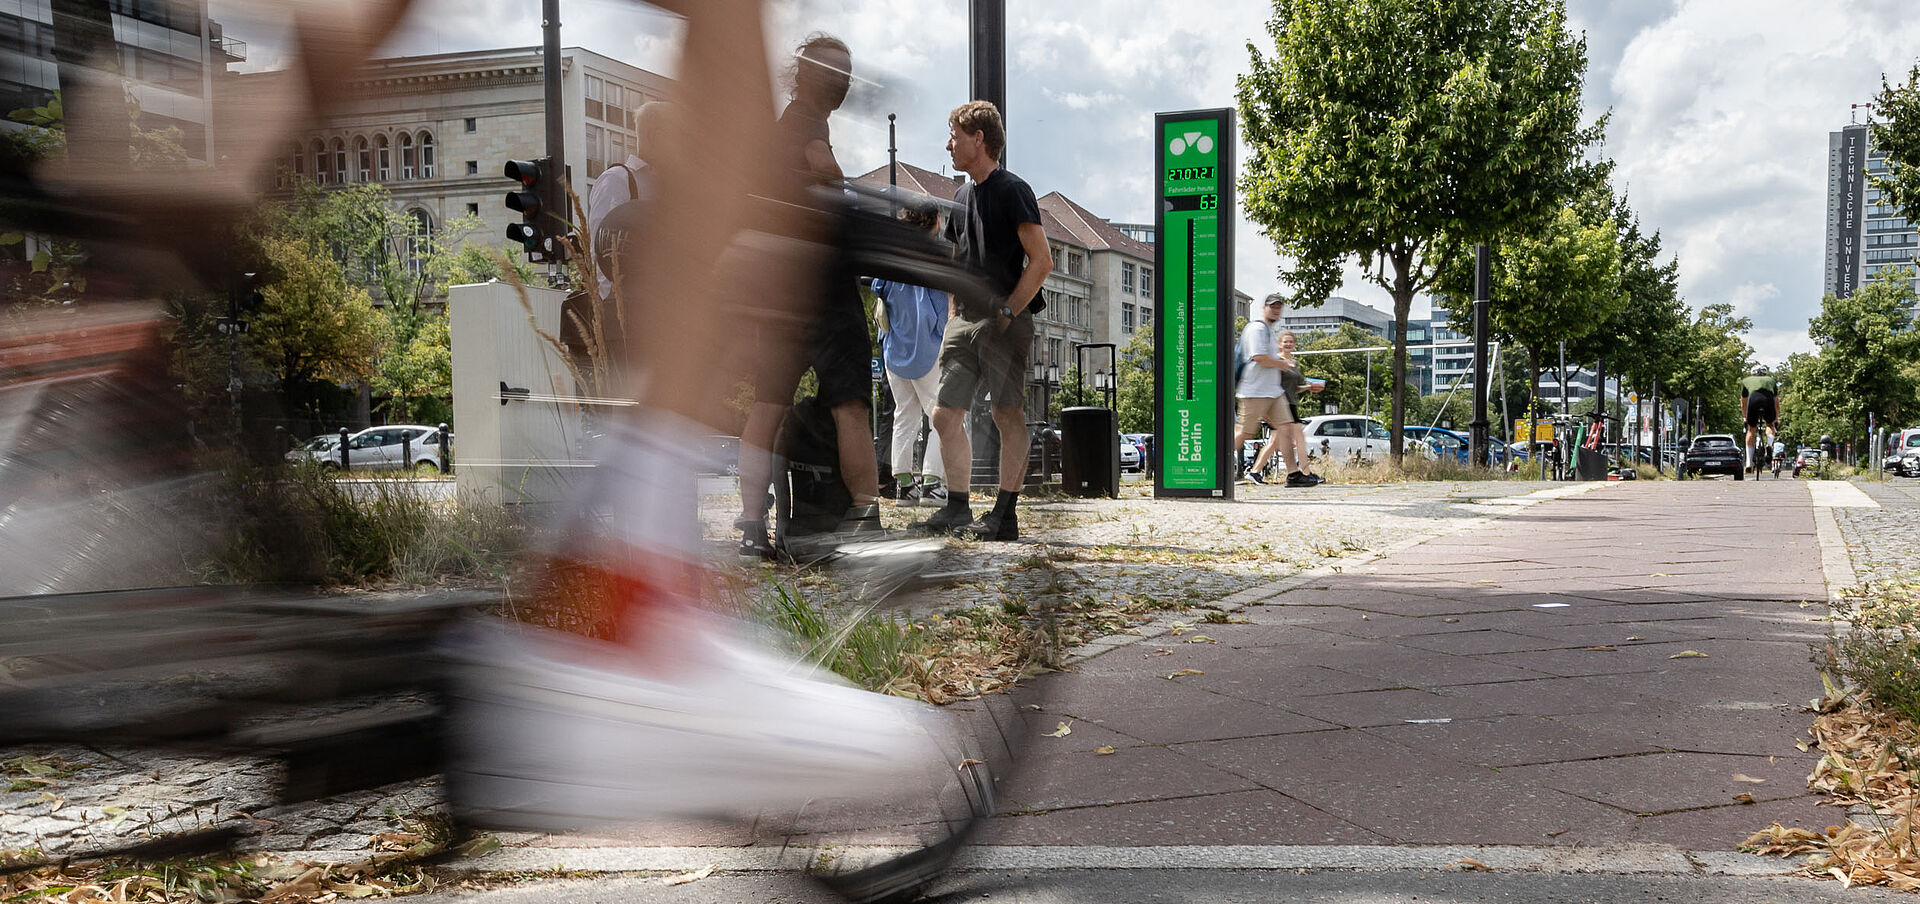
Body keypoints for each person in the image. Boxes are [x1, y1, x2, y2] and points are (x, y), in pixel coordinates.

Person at [733, 34, 883, 558]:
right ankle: (866, 516)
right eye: (838, 71)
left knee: (768, 404)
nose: (843, 81)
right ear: (812, 76)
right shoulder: (807, 125)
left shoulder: (780, 127)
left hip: (776, 285)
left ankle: (752, 524)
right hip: (821, 281)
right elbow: (824, 171)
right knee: (850, 405)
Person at [910, 100, 1052, 542]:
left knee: (1006, 413)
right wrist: (954, 312)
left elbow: (1042, 261)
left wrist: (1009, 311)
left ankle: (1005, 516)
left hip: (1006, 320)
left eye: (955, 135)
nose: (948, 144)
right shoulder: (960, 196)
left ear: (979, 139)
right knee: (944, 415)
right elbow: (956, 260)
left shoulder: (1013, 190)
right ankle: (957, 508)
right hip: (965, 322)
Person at [872, 202, 950, 506]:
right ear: (934, 221)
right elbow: (941, 306)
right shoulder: (933, 257)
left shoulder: (892, 255)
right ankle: (932, 481)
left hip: (894, 347)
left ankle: (904, 484)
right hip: (927, 348)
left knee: (905, 415)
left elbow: (879, 291)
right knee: (944, 415)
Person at [1234, 293, 1292, 485]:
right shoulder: (1257, 328)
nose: (1275, 310)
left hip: (1273, 392)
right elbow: (1259, 357)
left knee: (1285, 428)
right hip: (1254, 392)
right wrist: (1282, 364)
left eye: (1278, 307)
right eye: (1272, 306)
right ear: (1264, 308)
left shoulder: (1269, 331)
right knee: (1245, 433)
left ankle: (1294, 474)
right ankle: (1211, 462)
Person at [1273, 330, 1326, 487]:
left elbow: (1294, 387)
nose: (1288, 344)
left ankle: (1303, 474)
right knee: (1296, 438)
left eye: (1291, 342)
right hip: (1282, 404)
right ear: (1279, 344)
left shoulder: (1294, 363)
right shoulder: (1277, 361)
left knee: (1278, 441)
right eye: (1285, 341)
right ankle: (1304, 473)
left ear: (1295, 344)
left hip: (1292, 403)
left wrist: (1309, 387)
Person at [1739, 364, 1779, 474]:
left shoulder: (1746, 380)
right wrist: (1776, 418)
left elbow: (1743, 402)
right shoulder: (1771, 380)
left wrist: (1745, 417)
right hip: (1768, 398)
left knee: (1751, 429)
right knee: (1769, 424)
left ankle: (1748, 463)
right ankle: (1769, 445)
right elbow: (1776, 403)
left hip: (1753, 398)